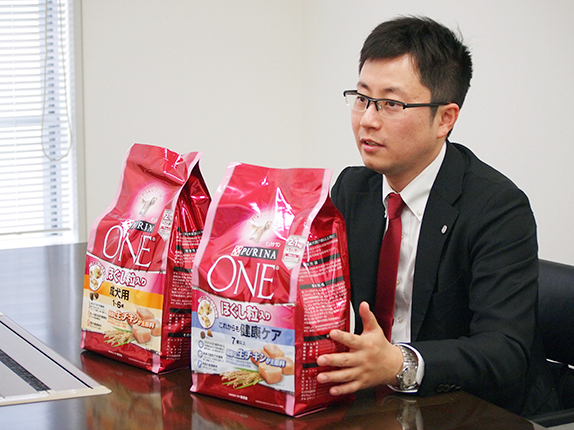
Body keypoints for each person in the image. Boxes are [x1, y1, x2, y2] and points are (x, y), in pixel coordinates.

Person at [316, 16, 559, 417]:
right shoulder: (352, 189)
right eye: (362, 98)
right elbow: (321, 298)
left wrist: (400, 363)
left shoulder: (497, 208)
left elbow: (504, 352)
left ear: (445, 118)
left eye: (391, 104)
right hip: (374, 408)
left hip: (471, 412)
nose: (368, 119)